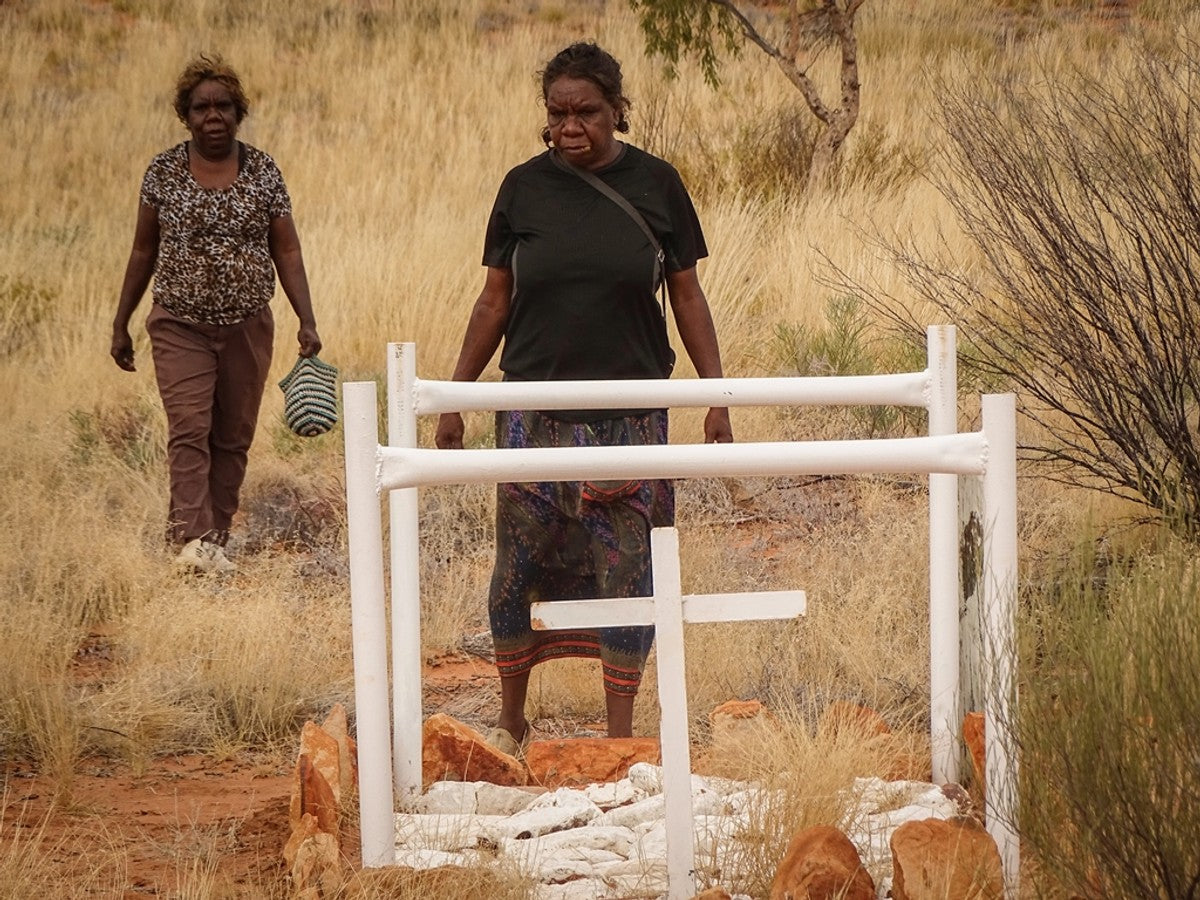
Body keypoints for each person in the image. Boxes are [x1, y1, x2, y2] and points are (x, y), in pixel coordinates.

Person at [436, 42, 733, 752]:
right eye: (558, 113)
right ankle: (511, 721)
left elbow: (688, 296)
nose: (570, 127)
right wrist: (454, 397)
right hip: (530, 417)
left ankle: (618, 739)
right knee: (516, 569)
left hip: (629, 417)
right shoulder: (521, 188)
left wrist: (717, 397)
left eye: (587, 112)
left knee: (628, 570)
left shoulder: (657, 184)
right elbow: (494, 299)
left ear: (617, 110)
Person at [110, 55, 321, 574]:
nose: (213, 116)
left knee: (232, 436)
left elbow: (287, 250)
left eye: (223, 106)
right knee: (189, 427)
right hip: (179, 323)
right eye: (201, 107)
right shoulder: (163, 173)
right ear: (185, 116)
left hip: (248, 325)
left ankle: (214, 541)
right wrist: (120, 322)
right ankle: (194, 539)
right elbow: (143, 250)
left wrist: (307, 319)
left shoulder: (263, 172)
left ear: (238, 112)